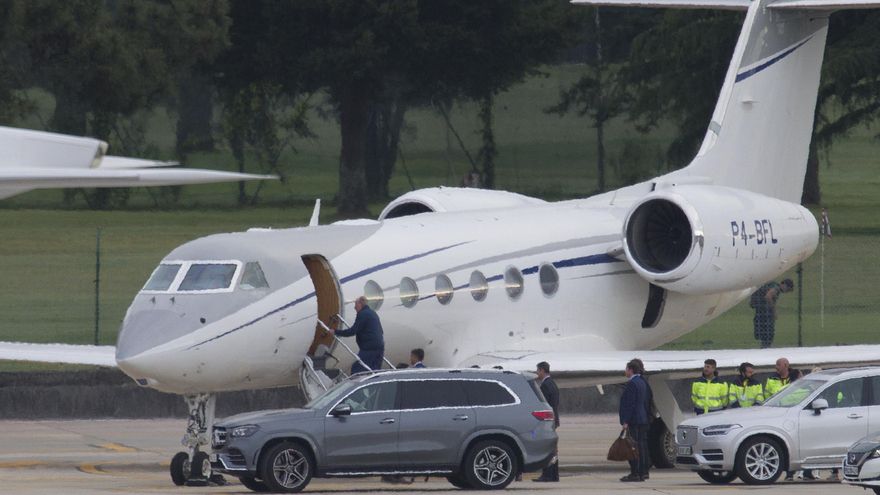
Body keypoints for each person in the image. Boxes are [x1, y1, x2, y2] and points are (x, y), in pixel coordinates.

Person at [765, 357, 813, 481]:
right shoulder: (772, 379)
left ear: (786, 365)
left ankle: (805, 473)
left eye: (778, 364)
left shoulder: (796, 381)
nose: (776, 367)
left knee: (801, 444)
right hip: (777, 415)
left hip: (796, 416)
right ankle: (790, 474)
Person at [329, 296, 385, 374]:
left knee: (357, 370)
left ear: (360, 304)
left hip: (369, 348)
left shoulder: (362, 314)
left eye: (355, 304)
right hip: (380, 346)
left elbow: (352, 331)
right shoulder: (372, 313)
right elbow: (381, 331)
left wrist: (336, 332)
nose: (354, 307)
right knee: (374, 372)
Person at [619, 358, 652, 482]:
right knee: (642, 446)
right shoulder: (643, 382)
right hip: (643, 419)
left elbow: (630, 404)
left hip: (634, 420)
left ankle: (635, 473)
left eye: (626, 369)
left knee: (633, 447)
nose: (625, 371)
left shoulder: (632, 384)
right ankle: (643, 472)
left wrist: (625, 421)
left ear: (631, 370)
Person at [533, 361, 560, 482]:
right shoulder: (552, 383)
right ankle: (554, 475)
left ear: (542, 371)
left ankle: (548, 475)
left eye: (538, 370)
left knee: (547, 448)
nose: (537, 373)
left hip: (547, 422)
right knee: (553, 449)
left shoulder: (545, 386)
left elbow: (543, 405)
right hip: (553, 420)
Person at [750, 278, 794, 348]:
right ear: (784, 285)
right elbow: (768, 296)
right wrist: (774, 310)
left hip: (760, 311)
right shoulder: (776, 288)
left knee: (764, 332)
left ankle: (764, 346)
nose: (786, 291)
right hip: (765, 312)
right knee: (768, 332)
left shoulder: (773, 285)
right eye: (788, 289)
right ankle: (766, 347)